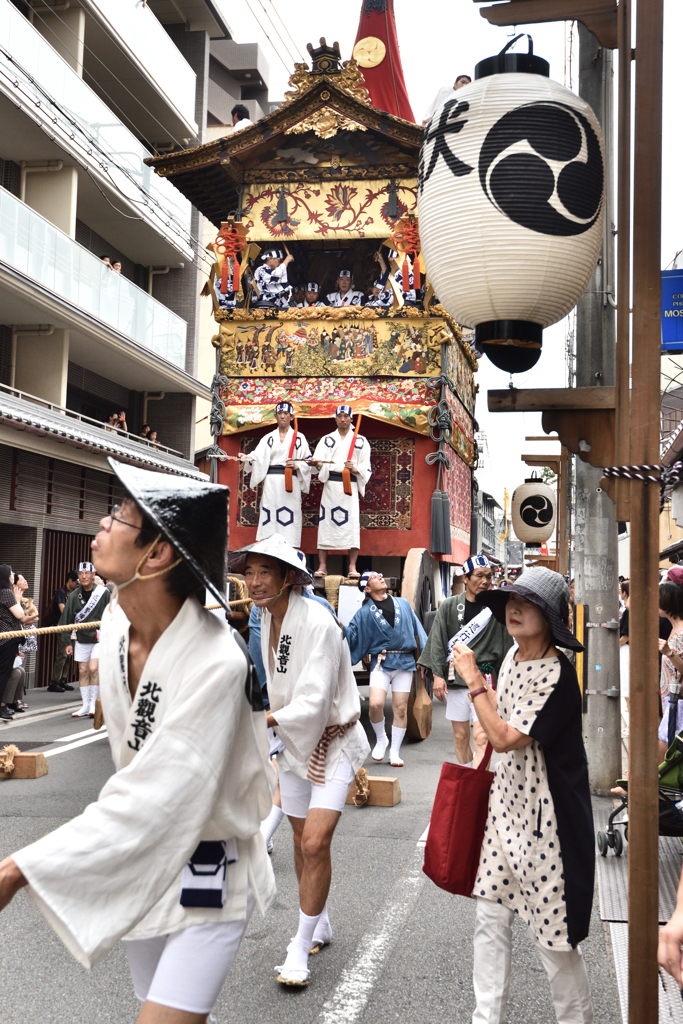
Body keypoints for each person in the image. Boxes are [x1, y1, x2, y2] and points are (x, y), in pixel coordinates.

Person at [0, 458, 275, 1024]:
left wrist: (19, 867)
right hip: (144, 857)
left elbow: (157, 794)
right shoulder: (115, 624)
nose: (102, 522)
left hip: (209, 866)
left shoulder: (216, 660)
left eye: (121, 513)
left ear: (157, 553)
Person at [451, 566, 594, 1024]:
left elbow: (508, 737)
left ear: (549, 617)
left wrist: (474, 683)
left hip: (544, 825)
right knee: (489, 922)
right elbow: (495, 728)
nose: (513, 608)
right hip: (504, 811)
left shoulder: (556, 674)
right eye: (511, 599)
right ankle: (484, 1017)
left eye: (527, 603)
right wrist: (484, 710)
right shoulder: (514, 656)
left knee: (555, 941)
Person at [231, 534, 370, 987]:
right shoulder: (264, 617)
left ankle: (298, 945)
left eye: (263, 572)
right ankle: (320, 921)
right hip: (294, 743)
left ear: (290, 578)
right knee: (297, 837)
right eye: (249, 572)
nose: (252, 582)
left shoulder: (318, 622)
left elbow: (312, 700)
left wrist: (263, 719)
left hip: (332, 741)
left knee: (314, 842)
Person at [418, 554, 513, 768]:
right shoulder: (450, 607)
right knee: (461, 736)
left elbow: (507, 648)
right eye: (479, 576)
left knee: (481, 737)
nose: (485, 581)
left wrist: (507, 685)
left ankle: (477, 789)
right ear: (465, 578)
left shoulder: (496, 609)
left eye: (488, 576)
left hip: (485, 678)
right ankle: (470, 780)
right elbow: (438, 641)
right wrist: (437, 675)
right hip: (457, 677)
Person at [345, 571, 427, 766]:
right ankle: (382, 738)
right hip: (381, 663)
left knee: (400, 708)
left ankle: (395, 752)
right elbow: (352, 636)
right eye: (374, 576)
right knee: (375, 704)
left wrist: (426, 658)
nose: (381, 576)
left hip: (405, 662)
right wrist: (339, 627)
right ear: (366, 588)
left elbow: (419, 631)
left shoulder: (403, 604)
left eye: (381, 574)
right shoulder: (364, 613)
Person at [310, 405, 372, 579]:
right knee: (326, 524)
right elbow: (319, 461)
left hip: (349, 487)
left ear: (351, 419)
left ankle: (352, 566)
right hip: (331, 486)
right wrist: (316, 463)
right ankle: (322, 565)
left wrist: (355, 468)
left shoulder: (360, 441)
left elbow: (366, 467)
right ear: (335, 418)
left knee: (351, 525)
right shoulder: (327, 440)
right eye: (340, 416)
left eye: (346, 416)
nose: (343, 419)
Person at [239, 402, 311, 548]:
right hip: (272, 481)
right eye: (280, 414)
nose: (282, 416)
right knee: (270, 511)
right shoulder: (268, 438)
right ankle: (268, 548)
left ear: (292, 417)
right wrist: (248, 457)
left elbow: (308, 460)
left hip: (290, 480)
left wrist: (297, 466)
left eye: (286, 414)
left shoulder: (299, 438)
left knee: (290, 512)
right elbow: (257, 456)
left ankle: (290, 548)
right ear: (275, 416)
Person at [59, 561, 111, 718]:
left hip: (99, 637)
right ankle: (85, 705)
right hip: (81, 637)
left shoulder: (103, 592)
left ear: (93, 574)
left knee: (94, 668)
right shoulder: (74, 595)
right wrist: (67, 641)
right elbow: (66, 619)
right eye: (81, 574)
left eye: (87, 573)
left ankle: (95, 704)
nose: (84, 576)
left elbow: (112, 612)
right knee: (82, 671)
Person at [0, 565, 37, 721]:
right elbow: (20, 615)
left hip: (6, 638)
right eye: (11, 574)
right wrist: (34, 616)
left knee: (6, 672)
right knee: (5, 673)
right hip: (8, 639)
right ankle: (2, 706)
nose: (12, 576)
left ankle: (6, 705)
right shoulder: (7, 593)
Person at [658, 576, 683, 758]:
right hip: (671, 700)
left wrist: (669, 653)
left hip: (678, 702)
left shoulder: (681, 633)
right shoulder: (675, 629)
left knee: (665, 747)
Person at [46, 569, 79, 692]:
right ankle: (54, 682)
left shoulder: (73, 593)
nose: (77, 585)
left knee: (68, 656)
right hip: (63, 627)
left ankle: (62, 680)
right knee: (62, 655)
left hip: (71, 627)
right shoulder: (61, 592)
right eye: (76, 582)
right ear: (70, 580)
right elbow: (63, 610)